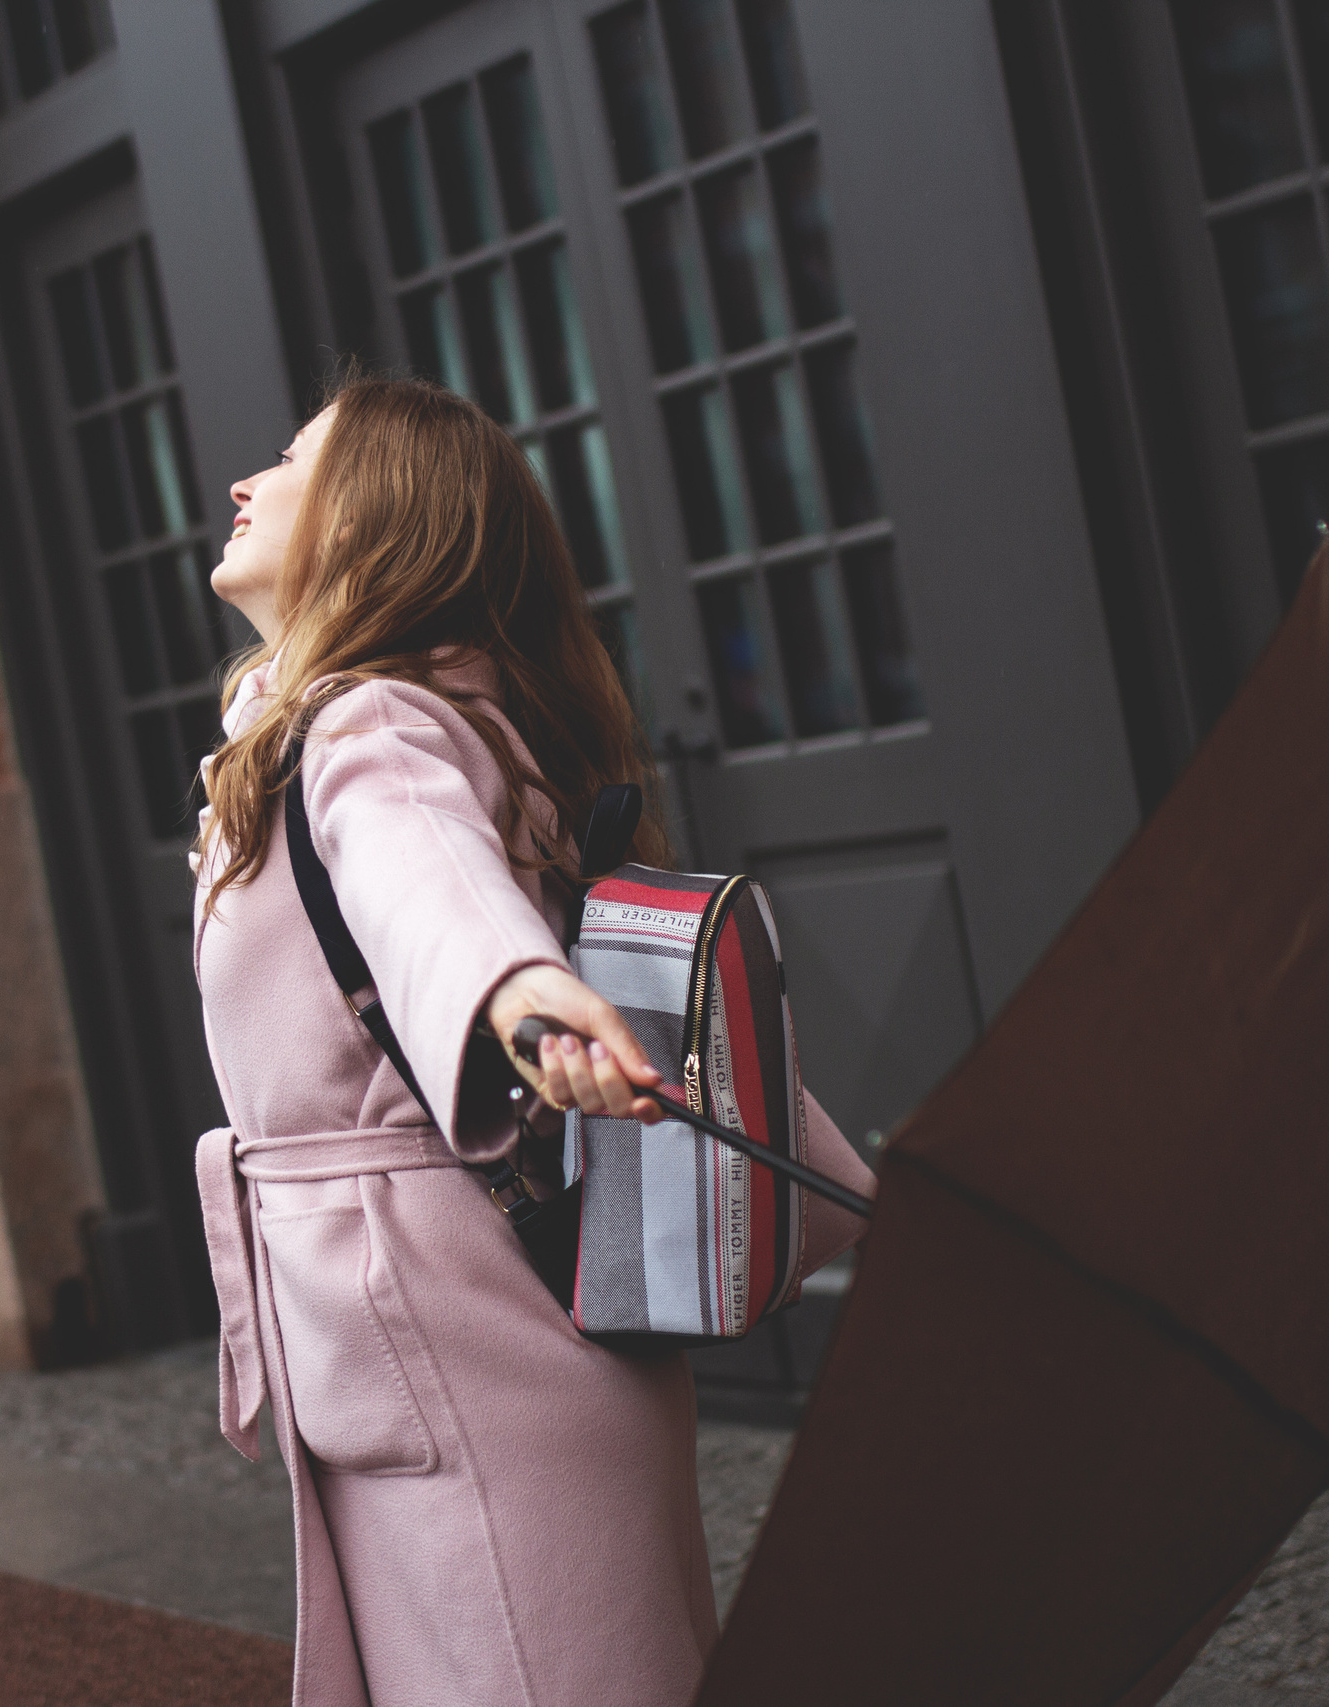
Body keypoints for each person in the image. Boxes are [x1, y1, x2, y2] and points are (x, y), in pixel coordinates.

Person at [189, 372, 875, 1707]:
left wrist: (516, 994)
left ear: (375, 520)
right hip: (436, 1333)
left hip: (456, 1344)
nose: (244, 483)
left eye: (290, 460)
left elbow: (423, 877)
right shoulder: (354, 717)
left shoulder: (369, 724)